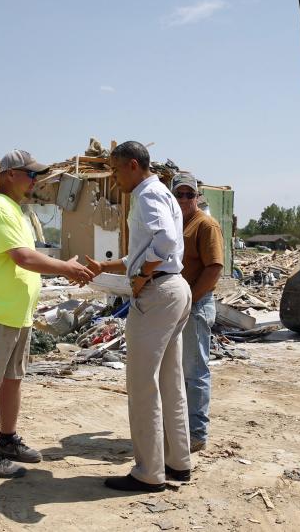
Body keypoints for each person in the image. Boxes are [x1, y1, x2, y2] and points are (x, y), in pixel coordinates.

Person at [0, 149, 95, 478]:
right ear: (9, 174)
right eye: (30, 174)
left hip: (14, 314)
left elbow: (27, 258)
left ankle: (7, 440)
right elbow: (24, 258)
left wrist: (63, 268)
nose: (35, 180)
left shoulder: (16, 211)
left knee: (12, 381)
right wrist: (66, 268)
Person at [86, 141, 192, 493]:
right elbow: (149, 248)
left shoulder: (146, 195)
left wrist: (143, 275)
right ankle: (177, 462)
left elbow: (164, 240)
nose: (114, 180)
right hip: (174, 288)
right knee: (169, 380)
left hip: (158, 293)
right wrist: (109, 265)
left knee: (142, 383)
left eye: (115, 171)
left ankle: (149, 472)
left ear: (133, 165)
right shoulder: (160, 192)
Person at [171, 172, 223, 453]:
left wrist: (190, 299)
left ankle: (197, 433)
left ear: (197, 197)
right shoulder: (173, 224)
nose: (183, 199)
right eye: (179, 194)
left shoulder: (205, 225)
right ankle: (182, 429)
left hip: (196, 306)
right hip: (177, 306)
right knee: (179, 371)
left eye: (189, 194)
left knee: (195, 371)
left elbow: (213, 269)